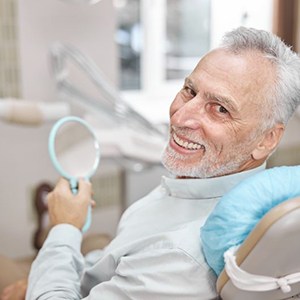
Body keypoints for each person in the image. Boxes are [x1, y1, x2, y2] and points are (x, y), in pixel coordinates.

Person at [3, 26, 300, 300]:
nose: (180, 117)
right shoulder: (203, 186)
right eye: (190, 91)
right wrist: (48, 277)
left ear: (267, 140)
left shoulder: (180, 256)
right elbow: (118, 259)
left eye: (220, 109)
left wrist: (64, 228)